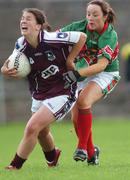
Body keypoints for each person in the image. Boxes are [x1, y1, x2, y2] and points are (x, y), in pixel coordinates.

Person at [1, 8, 87, 170]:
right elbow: (9, 64)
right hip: (39, 94)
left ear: (39, 26)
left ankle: (15, 166)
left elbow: (82, 37)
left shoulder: (52, 38)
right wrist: (4, 70)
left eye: (28, 19)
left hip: (63, 91)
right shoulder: (20, 44)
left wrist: (70, 60)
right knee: (41, 132)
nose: (23, 21)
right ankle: (52, 158)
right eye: (22, 18)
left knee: (32, 127)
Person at [61, 0, 120, 165]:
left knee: (83, 100)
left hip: (105, 73)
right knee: (75, 118)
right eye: (88, 14)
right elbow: (55, 38)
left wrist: (76, 73)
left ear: (105, 16)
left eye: (95, 15)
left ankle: (81, 148)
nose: (90, 18)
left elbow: (101, 65)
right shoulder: (78, 27)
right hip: (82, 73)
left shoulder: (109, 34)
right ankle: (92, 153)